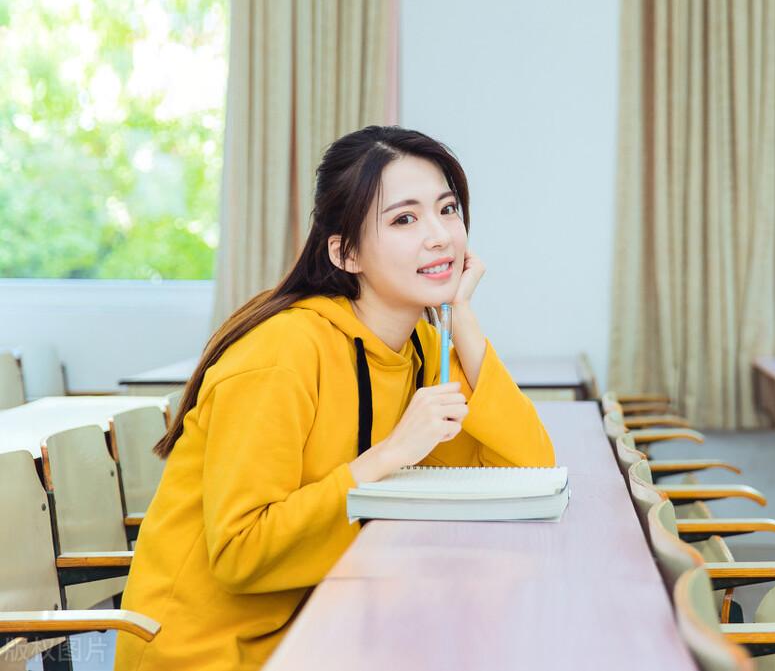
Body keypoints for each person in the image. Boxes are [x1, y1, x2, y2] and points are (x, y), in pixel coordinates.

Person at [115, 126, 556, 671]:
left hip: (329, 624)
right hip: (214, 652)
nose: (440, 236)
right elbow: (240, 554)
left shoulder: (420, 343)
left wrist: (462, 321)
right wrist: (390, 455)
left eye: (448, 209)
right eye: (404, 219)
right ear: (346, 253)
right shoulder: (281, 354)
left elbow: (527, 472)